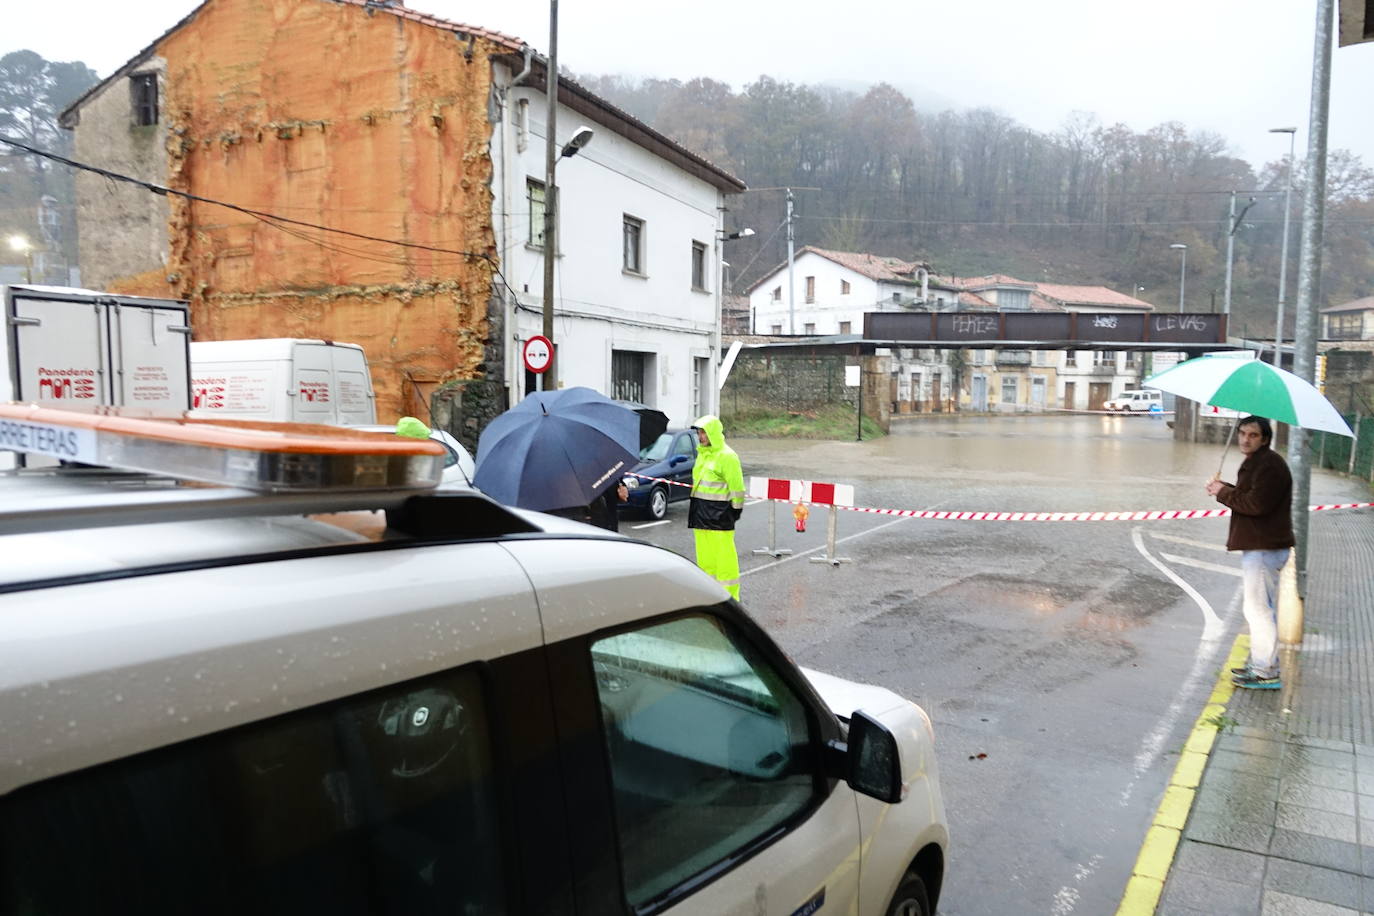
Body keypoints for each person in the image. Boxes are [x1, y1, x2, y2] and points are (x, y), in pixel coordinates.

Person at [1205, 415, 1294, 690]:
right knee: (1257, 608)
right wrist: (1225, 490)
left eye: (1252, 435)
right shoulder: (1258, 462)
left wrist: (1223, 493)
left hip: (1264, 547)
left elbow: (1256, 505)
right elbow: (1250, 497)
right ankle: (1260, 664)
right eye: (1242, 433)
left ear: (1264, 438)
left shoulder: (1269, 466)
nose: (1245, 439)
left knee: (1259, 610)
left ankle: (1266, 671)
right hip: (1262, 546)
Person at [688, 415, 745, 600]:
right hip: (700, 514)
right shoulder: (703, 455)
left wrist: (735, 511)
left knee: (725, 562)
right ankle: (709, 597)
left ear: (713, 433)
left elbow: (737, 488)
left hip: (720, 516)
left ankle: (731, 599)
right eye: (699, 432)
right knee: (705, 561)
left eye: (703, 432)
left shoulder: (728, 457)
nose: (700, 436)